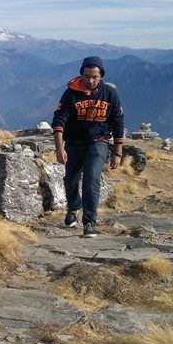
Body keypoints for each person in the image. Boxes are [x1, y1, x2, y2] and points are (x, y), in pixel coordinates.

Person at [51, 56, 125, 238]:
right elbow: (59, 121)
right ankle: (74, 207)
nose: (90, 81)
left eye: (95, 77)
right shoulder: (71, 93)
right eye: (87, 76)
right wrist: (59, 148)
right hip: (74, 143)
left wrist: (118, 153)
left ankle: (90, 223)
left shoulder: (109, 94)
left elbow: (118, 123)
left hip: (98, 142)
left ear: (101, 76)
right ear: (81, 74)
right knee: (71, 179)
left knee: (92, 179)